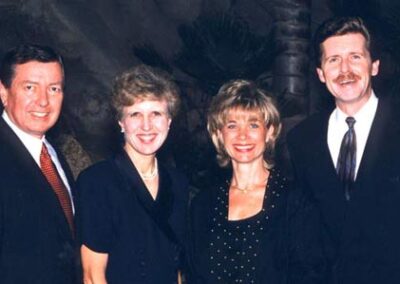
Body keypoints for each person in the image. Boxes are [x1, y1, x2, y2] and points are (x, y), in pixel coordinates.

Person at [287, 16, 400, 284]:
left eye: (355, 57)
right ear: (320, 73)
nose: (345, 69)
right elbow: (305, 231)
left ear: (374, 66)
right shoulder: (302, 139)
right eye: (334, 60)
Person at [187, 79, 325, 283]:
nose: (243, 136)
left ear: (269, 132)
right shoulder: (202, 205)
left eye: (253, 124)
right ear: (219, 134)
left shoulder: (295, 202)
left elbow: (312, 277)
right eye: (232, 125)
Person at [77, 64, 189, 284]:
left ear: (169, 121)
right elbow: (92, 276)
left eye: (156, 113)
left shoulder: (178, 182)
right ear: (121, 122)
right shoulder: (98, 182)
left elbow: (175, 266)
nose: (146, 126)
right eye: (135, 114)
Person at [0, 44, 77, 283]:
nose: (43, 101)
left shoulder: (54, 156)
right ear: (3, 93)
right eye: (30, 87)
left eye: (54, 89)